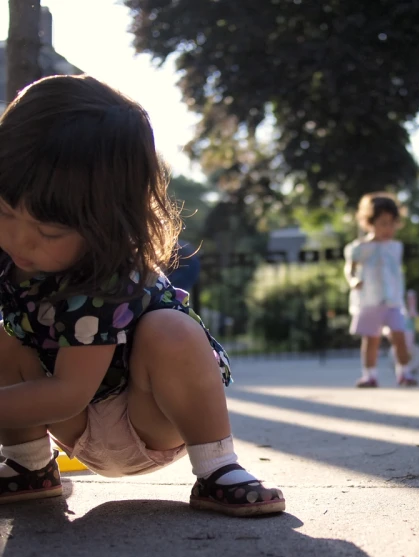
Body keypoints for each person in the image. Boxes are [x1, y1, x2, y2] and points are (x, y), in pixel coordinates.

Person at [0, 75, 285, 516]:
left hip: (147, 414)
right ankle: (29, 465)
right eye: (3, 212)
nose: (19, 240)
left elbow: (69, 392)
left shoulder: (107, 275)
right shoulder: (11, 257)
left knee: (171, 330)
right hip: (71, 425)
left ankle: (217, 467)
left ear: (109, 224)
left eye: (49, 231)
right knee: (4, 335)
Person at [344, 192, 418, 388]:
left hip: (392, 301)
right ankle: (370, 375)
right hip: (369, 300)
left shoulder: (396, 247)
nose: (388, 228)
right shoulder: (360, 248)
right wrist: (353, 281)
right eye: (383, 223)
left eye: (391, 223)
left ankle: (405, 373)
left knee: (399, 336)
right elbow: (349, 268)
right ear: (370, 222)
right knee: (371, 340)